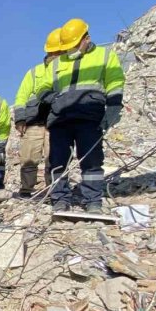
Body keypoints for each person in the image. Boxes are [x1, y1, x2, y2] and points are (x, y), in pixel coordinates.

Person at [44, 18, 126, 213]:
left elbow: (115, 82)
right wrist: (52, 99)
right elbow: (43, 87)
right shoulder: (57, 63)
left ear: (86, 39)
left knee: (91, 160)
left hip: (89, 117)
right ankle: (60, 199)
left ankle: (93, 201)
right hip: (60, 118)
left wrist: (113, 107)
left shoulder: (105, 56)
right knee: (58, 160)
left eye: (73, 45)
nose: (70, 50)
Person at [13, 29, 64, 198]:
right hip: (33, 122)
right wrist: (20, 119)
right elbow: (21, 97)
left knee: (54, 158)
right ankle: (26, 189)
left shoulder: (66, 71)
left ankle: (54, 189)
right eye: (54, 52)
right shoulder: (34, 73)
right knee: (29, 158)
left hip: (55, 123)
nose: (56, 55)